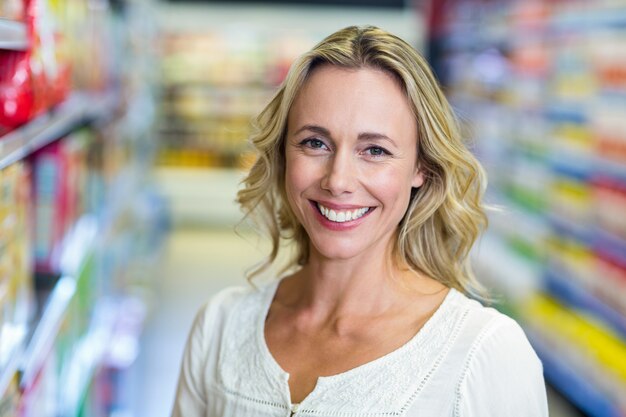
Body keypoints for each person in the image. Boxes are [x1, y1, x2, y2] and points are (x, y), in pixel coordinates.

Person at [171, 25, 548, 417]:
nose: (337, 181)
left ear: (421, 166)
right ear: (284, 153)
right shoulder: (220, 327)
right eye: (315, 143)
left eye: (374, 150)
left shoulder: (483, 354)